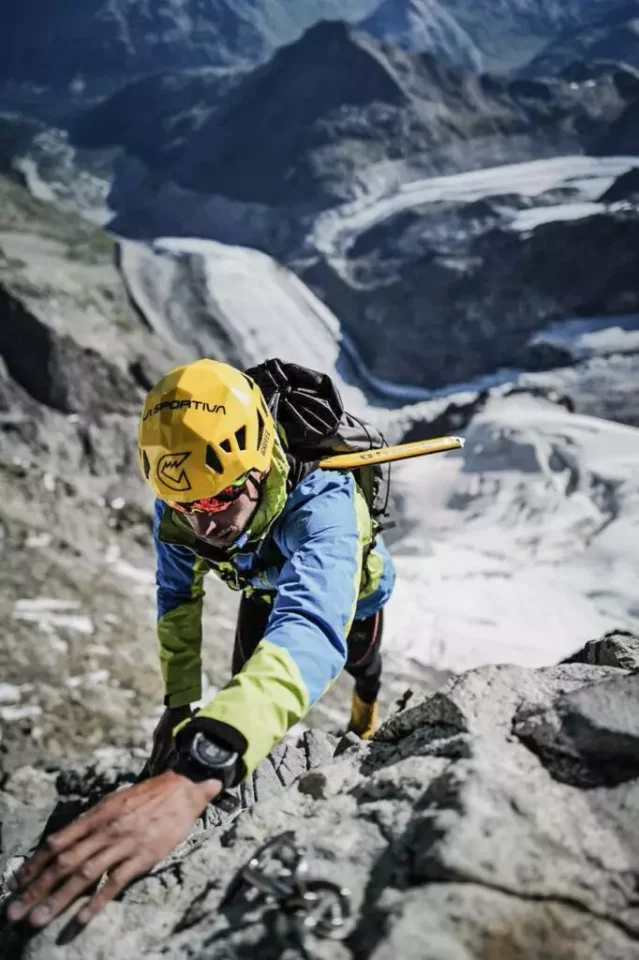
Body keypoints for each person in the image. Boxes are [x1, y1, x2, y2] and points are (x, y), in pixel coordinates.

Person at [6, 358, 395, 930]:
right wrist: (180, 705)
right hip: (264, 586)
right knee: (247, 686)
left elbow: (313, 626)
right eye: (188, 508)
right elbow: (177, 598)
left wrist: (202, 764)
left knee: (363, 660)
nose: (202, 526)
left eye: (216, 503)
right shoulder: (187, 496)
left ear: (258, 466)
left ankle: (367, 709)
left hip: (354, 595)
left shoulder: (327, 506)